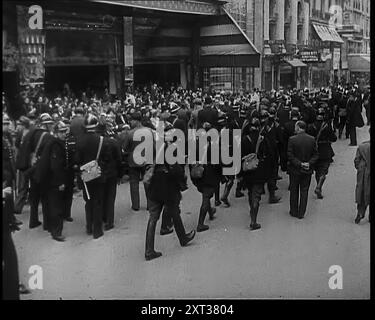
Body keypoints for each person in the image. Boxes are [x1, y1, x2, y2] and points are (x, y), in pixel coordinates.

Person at [145, 129, 196, 261]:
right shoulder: (171, 150)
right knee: (174, 212)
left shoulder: (153, 148)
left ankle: (149, 250)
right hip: (168, 187)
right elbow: (177, 170)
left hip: (155, 186)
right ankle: (183, 238)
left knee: (153, 218)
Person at [36, 121, 69, 241]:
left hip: (47, 179)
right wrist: (60, 182)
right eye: (61, 132)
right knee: (56, 206)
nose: (64, 134)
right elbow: (56, 166)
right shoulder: (55, 145)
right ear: (56, 133)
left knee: (50, 204)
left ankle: (50, 227)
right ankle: (56, 231)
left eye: (65, 131)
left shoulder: (52, 143)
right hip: (54, 180)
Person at [74, 114, 105, 239]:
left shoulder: (79, 140)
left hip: (84, 173)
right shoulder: (101, 139)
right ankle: (97, 230)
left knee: (88, 200)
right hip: (97, 172)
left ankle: (89, 226)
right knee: (97, 201)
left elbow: (77, 159)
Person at [241, 115, 272, 230]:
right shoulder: (263, 139)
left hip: (247, 170)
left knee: (250, 192)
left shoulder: (244, 139)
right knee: (257, 195)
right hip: (259, 170)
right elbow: (269, 154)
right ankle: (253, 221)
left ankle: (252, 211)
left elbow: (240, 156)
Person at [287, 121, 319, 219]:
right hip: (307, 170)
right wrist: (309, 163)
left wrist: (299, 164)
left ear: (298, 128)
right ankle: (301, 212)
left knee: (294, 190)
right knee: (304, 191)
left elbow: (290, 155)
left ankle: (294, 211)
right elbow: (316, 154)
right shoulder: (312, 139)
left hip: (295, 170)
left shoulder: (292, 139)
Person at [121, 111, 153, 211]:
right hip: (147, 160)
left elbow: (124, 149)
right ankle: (150, 203)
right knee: (147, 182)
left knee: (134, 183)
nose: (130, 122)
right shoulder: (149, 131)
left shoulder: (130, 134)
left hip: (133, 162)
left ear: (136, 121)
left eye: (131, 120)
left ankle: (135, 205)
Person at [307, 108, 337, 199]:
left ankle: (318, 185)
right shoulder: (327, 126)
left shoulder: (311, 126)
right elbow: (333, 138)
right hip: (325, 150)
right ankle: (319, 186)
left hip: (314, 151)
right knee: (324, 170)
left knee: (317, 170)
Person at [354, 128, 370, 224]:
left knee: (362, 192)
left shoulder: (362, 146)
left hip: (364, 172)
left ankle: (360, 212)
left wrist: (359, 168)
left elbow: (357, 160)